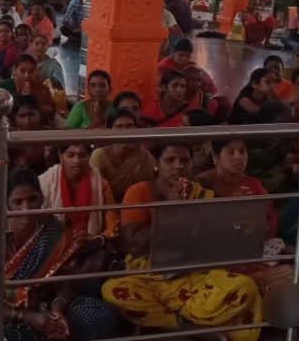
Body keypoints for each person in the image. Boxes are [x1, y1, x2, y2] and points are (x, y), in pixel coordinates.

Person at [102, 142, 263, 341]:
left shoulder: (201, 193)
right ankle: (183, 325)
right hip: (149, 277)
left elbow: (217, 239)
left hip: (193, 275)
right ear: (157, 165)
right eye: (170, 160)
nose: (178, 166)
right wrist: (169, 209)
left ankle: (178, 321)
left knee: (245, 286)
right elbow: (134, 245)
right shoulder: (140, 191)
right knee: (113, 291)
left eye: (184, 161)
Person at [0, 168, 121, 341]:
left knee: (102, 315)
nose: (26, 208)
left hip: (43, 307)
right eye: (18, 202)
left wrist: (57, 311)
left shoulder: (54, 231)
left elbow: (64, 283)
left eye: (33, 199)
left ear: (42, 199)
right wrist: (25, 316)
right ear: (6, 204)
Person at [196, 139, 277, 236]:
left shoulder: (254, 185)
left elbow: (270, 225)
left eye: (242, 151)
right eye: (231, 152)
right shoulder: (201, 183)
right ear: (216, 157)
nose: (238, 157)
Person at [39, 143, 117, 237]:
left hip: (90, 244)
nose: (77, 161)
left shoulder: (101, 184)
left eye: (83, 155)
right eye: (70, 155)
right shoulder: (44, 182)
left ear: (90, 156)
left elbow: (112, 224)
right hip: (52, 245)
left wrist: (98, 240)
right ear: (61, 156)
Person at [90, 108, 156, 202]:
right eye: (119, 126)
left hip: (136, 206)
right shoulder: (99, 156)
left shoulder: (144, 156)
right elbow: (95, 193)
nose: (125, 131)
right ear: (109, 131)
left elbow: (150, 189)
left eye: (129, 126)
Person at [0, 54, 55, 124]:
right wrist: (20, 96)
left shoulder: (42, 89)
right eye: (22, 71)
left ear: (36, 72)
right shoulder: (3, 88)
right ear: (15, 70)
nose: (27, 75)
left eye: (31, 71)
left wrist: (32, 101)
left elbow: (50, 112)